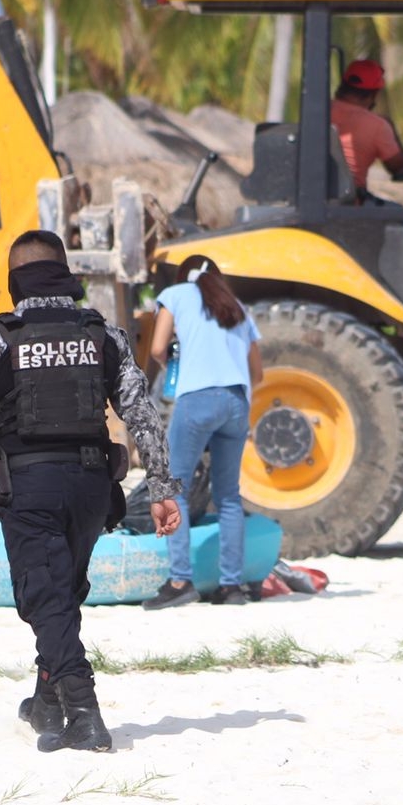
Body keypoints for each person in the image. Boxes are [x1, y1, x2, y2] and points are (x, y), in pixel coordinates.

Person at [0, 230, 181, 753]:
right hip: (92, 487)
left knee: (45, 598)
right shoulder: (101, 335)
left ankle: (84, 713)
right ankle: (47, 701)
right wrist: (161, 486)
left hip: (30, 487)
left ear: (15, 280)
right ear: (64, 273)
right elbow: (142, 413)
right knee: (60, 595)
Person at [143, 255, 264, 609]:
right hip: (236, 402)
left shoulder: (175, 294)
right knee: (228, 495)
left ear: (184, 276)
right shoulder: (236, 306)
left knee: (173, 488)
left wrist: (174, 366)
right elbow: (257, 372)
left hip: (197, 399)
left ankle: (180, 581)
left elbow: (156, 348)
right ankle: (231, 587)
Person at [331, 59, 403, 201]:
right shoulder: (378, 126)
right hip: (350, 205)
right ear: (373, 94)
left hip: (316, 200)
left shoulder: (319, 111)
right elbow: (398, 167)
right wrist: (390, 126)